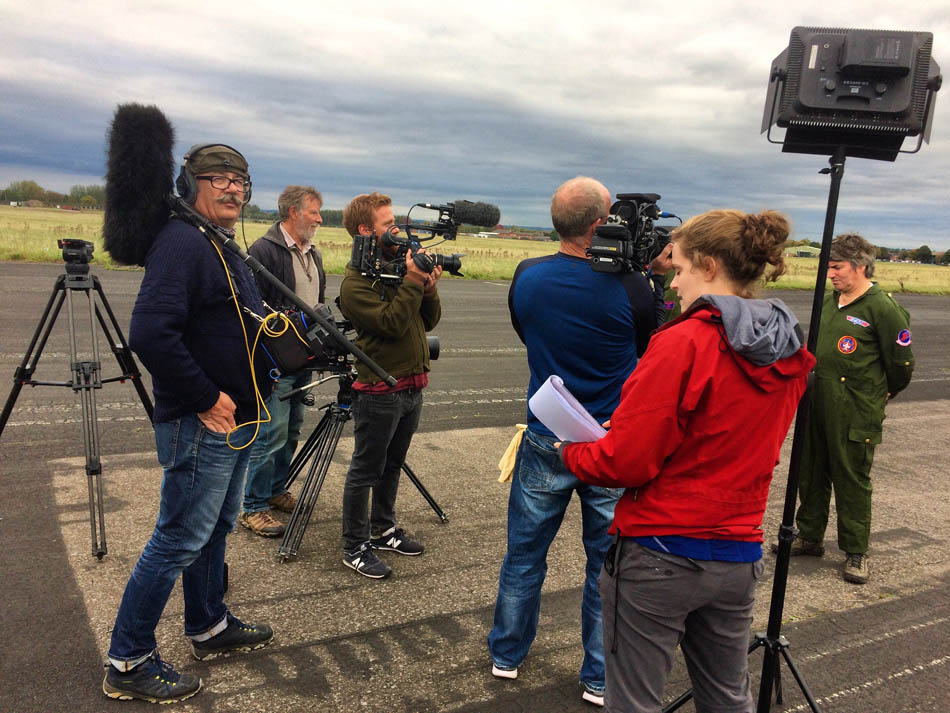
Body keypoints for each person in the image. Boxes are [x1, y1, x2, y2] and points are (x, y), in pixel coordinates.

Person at [559, 209, 815, 712]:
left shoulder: (684, 340)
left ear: (710, 265)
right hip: (738, 551)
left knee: (633, 699)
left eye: (678, 269)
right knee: (726, 696)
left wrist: (572, 451)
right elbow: (721, 436)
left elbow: (626, 464)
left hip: (661, 551)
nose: (672, 284)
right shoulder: (787, 348)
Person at [102, 145, 274, 703]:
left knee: (216, 529)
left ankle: (207, 625)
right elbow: (151, 333)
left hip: (239, 417)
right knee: (177, 538)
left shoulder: (217, 243)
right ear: (190, 183)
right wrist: (205, 397)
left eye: (240, 181)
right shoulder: (181, 242)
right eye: (219, 179)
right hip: (204, 421)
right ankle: (127, 660)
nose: (233, 189)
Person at [487, 176, 666, 708]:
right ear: (599, 225)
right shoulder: (633, 287)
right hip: (608, 439)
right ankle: (597, 675)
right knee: (604, 565)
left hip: (545, 433)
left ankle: (507, 653)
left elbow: (526, 329)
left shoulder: (527, 275)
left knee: (524, 554)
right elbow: (648, 347)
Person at [785, 233, 914, 584]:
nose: (831, 274)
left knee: (851, 477)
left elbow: (901, 365)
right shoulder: (829, 303)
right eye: (828, 266)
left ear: (859, 266)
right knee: (811, 471)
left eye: (837, 267)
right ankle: (809, 536)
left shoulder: (882, 309)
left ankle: (856, 551)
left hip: (856, 410)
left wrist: (881, 393)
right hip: (818, 403)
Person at [337, 192, 441, 579]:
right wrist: (414, 281)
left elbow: (425, 322)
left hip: (411, 386)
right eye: (388, 223)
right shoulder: (355, 284)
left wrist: (427, 288)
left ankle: (382, 529)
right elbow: (394, 323)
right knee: (365, 470)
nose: (397, 230)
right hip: (379, 391)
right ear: (366, 230)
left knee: (392, 466)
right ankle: (355, 545)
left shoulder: (394, 270)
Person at [239, 185, 327, 537]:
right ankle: (253, 506)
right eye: (314, 212)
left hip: (304, 359)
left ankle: (276, 490)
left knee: (291, 429)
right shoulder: (263, 251)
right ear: (293, 212)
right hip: (274, 362)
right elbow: (250, 305)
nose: (320, 219)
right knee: (270, 432)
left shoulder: (313, 253)